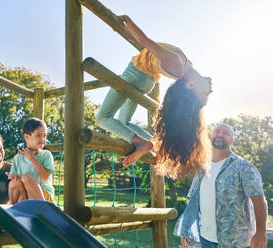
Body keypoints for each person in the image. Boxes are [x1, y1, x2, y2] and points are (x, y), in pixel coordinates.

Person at [96, 15, 212, 179]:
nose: (210, 91)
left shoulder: (178, 63)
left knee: (102, 117)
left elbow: (144, 41)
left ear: (191, 86)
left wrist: (127, 21)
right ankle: (153, 142)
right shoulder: (187, 66)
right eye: (207, 94)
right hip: (146, 81)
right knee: (123, 122)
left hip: (136, 74)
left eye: (205, 93)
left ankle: (140, 142)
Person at [175, 123, 267, 248]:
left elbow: (259, 201)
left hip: (235, 241)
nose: (220, 134)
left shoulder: (244, 166)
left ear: (232, 140)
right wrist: (188, 227)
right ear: (211, 136)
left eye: (226, 133)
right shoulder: (202, 166)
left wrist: (261, 233)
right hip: (205, 239)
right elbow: (195, 200)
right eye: (217, 131)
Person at [8, 118, 55, 204]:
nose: (43, 139)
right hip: (26, 198)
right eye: (38, 135)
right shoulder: (18, 158)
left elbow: (45, 177)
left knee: (27, 178)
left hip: (43, 197)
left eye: (44, 136)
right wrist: (13, 176)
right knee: (13, 183)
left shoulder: (46, 155)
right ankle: (15, 213)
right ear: (26, 137)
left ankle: (44, 210)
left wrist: (32, 158)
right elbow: (14, 179)